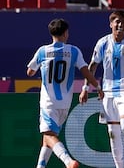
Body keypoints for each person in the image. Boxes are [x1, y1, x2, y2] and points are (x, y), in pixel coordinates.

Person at [27, 18, 104, 168]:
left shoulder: (43, 51)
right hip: (65, 103)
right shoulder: (74, 51)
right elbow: (86, 71)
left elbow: (30, 72)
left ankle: (68, 161)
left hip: (48, 102)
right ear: (65, 33)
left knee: (49, 136)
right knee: (49, 137)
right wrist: (97, 86)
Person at [79, 10, 124, 168]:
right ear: (111, 24)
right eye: (117, 22)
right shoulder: (103, 43)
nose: (120, 25)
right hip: (107, 92)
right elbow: (92, 67)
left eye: (123, 22)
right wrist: (85, 88)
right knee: (113, 134)